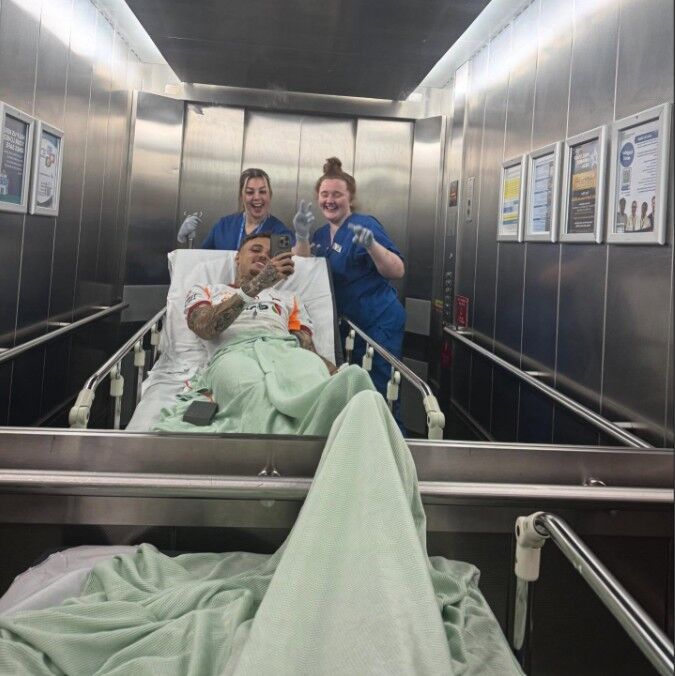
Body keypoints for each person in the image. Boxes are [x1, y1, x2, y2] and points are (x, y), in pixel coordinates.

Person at [154, 232, 375, 435]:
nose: (263, 256)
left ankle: (331, 420)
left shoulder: (289, 299)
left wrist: (334, 372)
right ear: (237, 257)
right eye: (255, 249)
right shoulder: (207, 290)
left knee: (316, 379)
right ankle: (312, 439)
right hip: (233, 354)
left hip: (286, 351)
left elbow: (306, 345)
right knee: (253, 391)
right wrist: (258, 284)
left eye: (269, 254)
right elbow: (204, 328)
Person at [293, 157, 406, 417]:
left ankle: (387, 438)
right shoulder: (321, 234)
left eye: (337, 194)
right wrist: (301, 236)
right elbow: (302, 265)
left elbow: (397, 270)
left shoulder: (365, 225)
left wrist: (372, 246)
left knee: (380, 392)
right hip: (346, 328)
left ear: (350, 198)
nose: (329, 200)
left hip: (377, 324)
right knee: (352, 391)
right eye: (324, 194)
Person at [177, 168, 294, 250]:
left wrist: (301, 242)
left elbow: (287, 265)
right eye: (250, 192)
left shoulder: (279, 232)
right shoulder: (223, 226)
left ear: (270, 195)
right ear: (241, 196)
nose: (257, 197)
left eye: (263, 191)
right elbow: (201, 262)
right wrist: (185, 240)